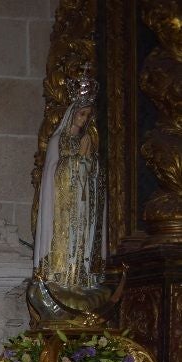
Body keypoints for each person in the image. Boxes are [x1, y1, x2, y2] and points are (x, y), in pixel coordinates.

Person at [33, 74, 103, 289]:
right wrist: (76, 161)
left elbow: (94, 175)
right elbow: (54, 172)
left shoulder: (87, 140)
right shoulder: (58, 140)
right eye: (81, 114)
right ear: (72, 113)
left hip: (82, 206)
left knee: (82, 239)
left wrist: (89, 163)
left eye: (88, 115)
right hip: (63, 208)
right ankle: (60, 277)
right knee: (67, 239)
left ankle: (82, 277)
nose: (84, 119)